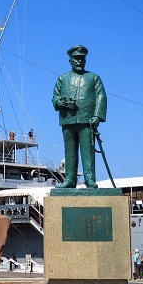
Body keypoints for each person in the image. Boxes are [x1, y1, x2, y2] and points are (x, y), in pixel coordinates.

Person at [52, 45, 107, 189]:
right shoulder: (62, 78)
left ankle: (89, 178)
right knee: (69, 151)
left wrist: (97, 116)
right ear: (70, 61)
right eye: (76, 59)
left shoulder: (93, 78)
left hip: (87, 120)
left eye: (82, 59)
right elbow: (55, 97)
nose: (79, 61)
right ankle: (70, 179)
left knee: (88, 151)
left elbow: (101, 96)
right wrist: (59, 101)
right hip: (67, 119)